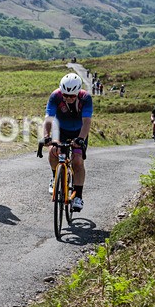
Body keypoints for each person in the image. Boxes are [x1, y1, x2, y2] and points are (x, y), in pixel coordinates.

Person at [43, 73, 93, 212]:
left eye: (72, 96)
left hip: (79, 131)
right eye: (65, 95)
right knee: (54, 151)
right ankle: (55, 178)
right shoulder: (55, 96)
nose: (68, 98)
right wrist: (47, 137)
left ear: (78, 92)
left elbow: (87, 121)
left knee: (77, 160)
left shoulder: (86, 98)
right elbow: (49, 118)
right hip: (61, 130)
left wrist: (81, 139)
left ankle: (78, 196)